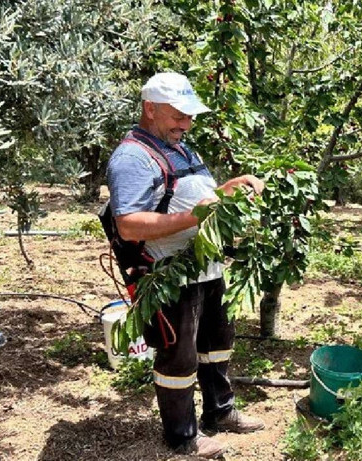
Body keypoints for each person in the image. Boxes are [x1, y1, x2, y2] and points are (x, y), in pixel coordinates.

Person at [106, 72, 265, 459]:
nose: (186, 123)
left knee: (217, 341)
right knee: (179, 355)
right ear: (150, 109)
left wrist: (230, 189)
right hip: (169, 274)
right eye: (179, 115)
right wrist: (198, 215)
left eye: (190, 116)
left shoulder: (179, 146)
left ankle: (220, 412)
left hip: (205, 267)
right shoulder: (132, 158)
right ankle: (182, 436)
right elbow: (128, 225)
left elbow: (196, 196)